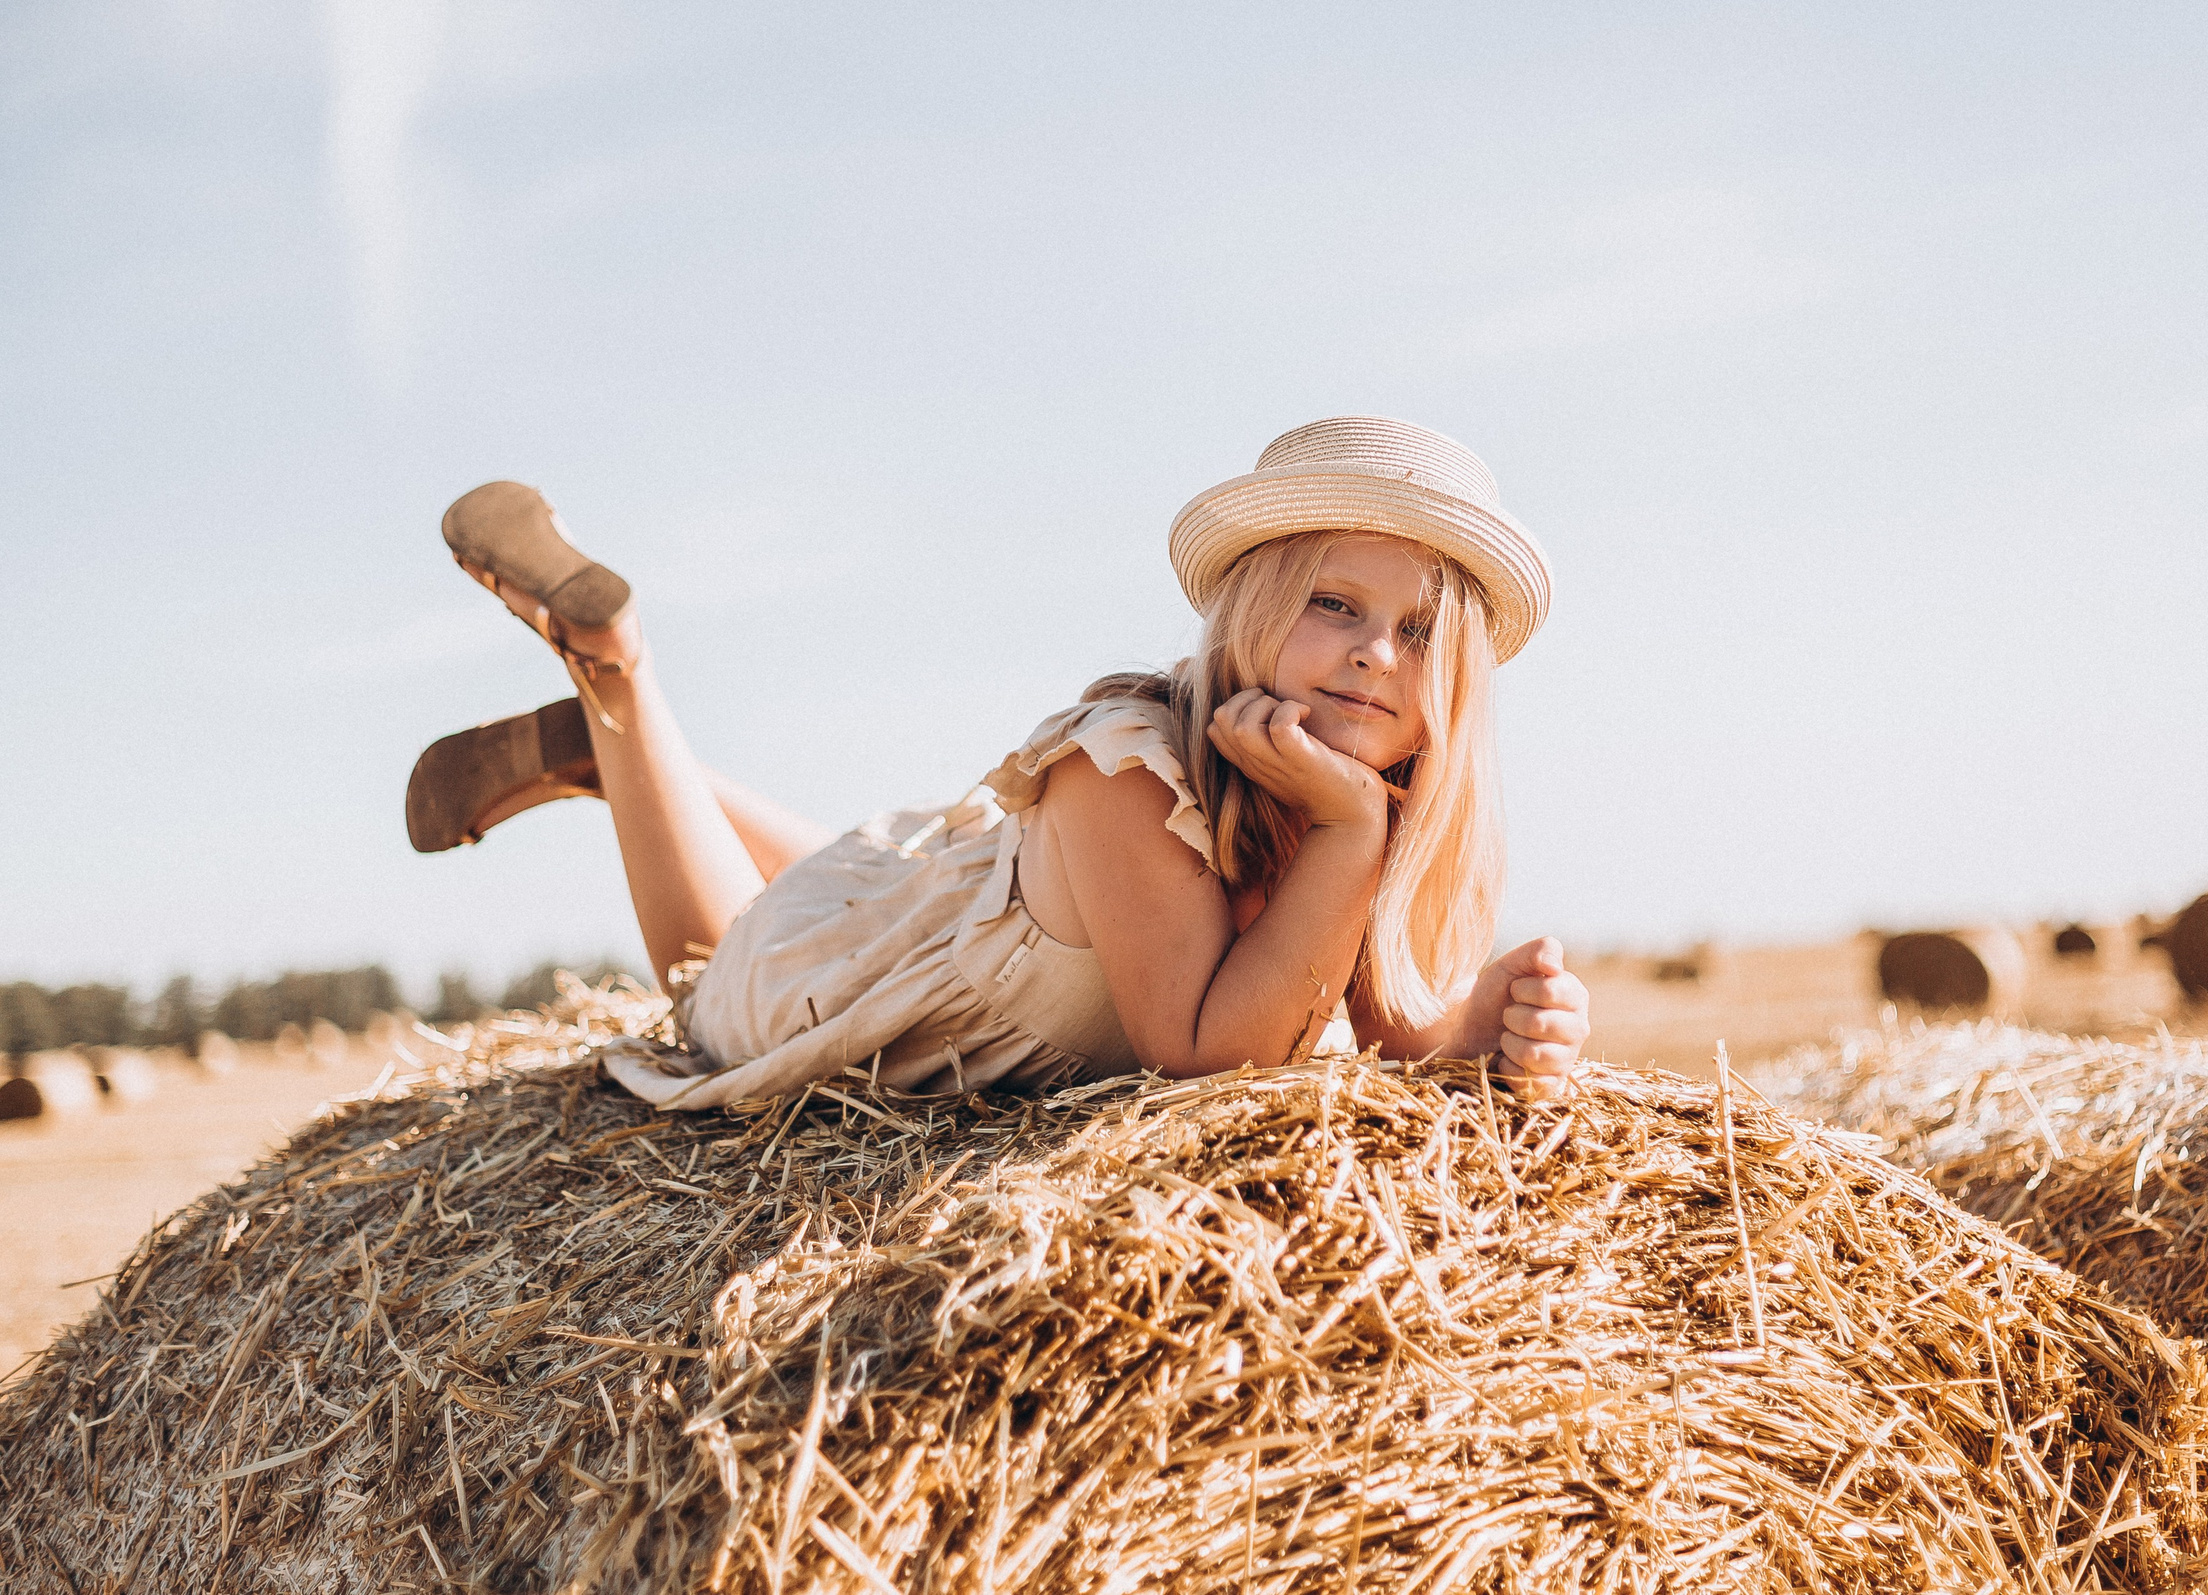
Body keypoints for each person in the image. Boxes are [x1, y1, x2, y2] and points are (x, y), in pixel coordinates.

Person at [407, 417, 1592, 1106]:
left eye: (1420, 633)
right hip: (852, 970)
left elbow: (1375, 1028)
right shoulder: (1127, 772)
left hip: (935, 899)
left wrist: (1477, 1024)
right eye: (1334, 604)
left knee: (831, 889)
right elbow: (1204, 1060)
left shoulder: (1356, 797)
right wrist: (1345, 835)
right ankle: (620, 686)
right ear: (1252, 609)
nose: (1377, 653)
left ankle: (639, 768)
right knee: (708, 983)